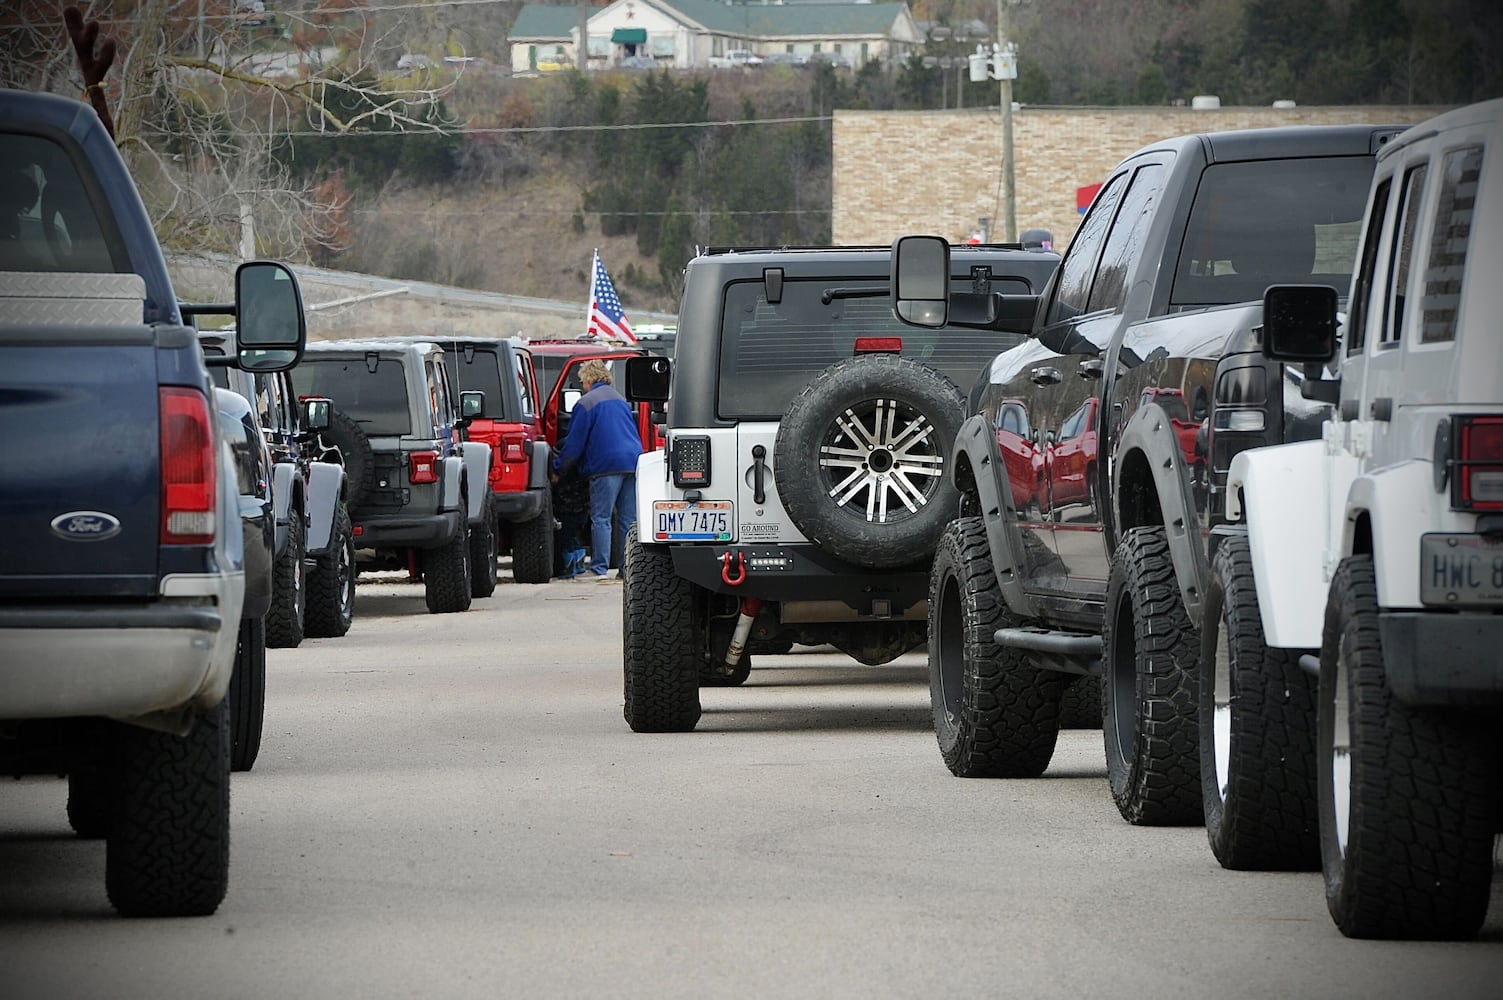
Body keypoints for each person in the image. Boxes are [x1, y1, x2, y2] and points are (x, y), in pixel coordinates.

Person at [550, 359, 643, 580]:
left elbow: (574, 444)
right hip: (633, 461)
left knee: (601, 518)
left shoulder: (586, 403)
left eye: (582, 381)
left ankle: (600, 568)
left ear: (590, 379)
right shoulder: (620, 400)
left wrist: (558, 469)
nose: (582, 385)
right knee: (628, 520)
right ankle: (626, 568)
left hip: (606, 466)